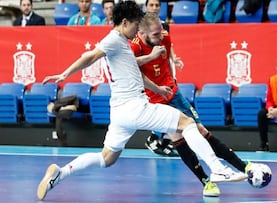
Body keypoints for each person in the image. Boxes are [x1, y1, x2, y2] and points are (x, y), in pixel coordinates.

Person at [36, 1, 247, 201]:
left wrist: (157, 89)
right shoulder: (113, 40)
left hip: (120, 113)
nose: (138, 30)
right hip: (135, 107)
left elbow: (136, 74)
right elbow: (90, 57)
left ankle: (60, 174)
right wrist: (65, 74)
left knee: (106, 158)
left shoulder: (123, 44)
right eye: (136, 24)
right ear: (125, 22)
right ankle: (218, 170)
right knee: (187, 123)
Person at [130, 12, 252, 197]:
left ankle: (243, 166)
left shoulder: (164, 37)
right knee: (178, 137)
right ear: (142, 33)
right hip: (156, 100)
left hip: (173, 92)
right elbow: (133, 70)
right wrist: (157, 86)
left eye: (161, 32)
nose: (160, 36)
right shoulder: (134, 47)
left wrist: (173, 62)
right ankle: (207, 182)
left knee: (200, 130)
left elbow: (167, 51)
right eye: (155, 34)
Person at [144, 0, 185, 156]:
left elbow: (168, 46)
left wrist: (174, 59)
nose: (154, 8)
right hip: (148, 73)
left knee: (170, 106)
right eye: (151, 5)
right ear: (146, 7)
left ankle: (161, 138)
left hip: (162, 71)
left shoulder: (163, 26)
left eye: (157, 5)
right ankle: (154, 137)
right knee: (158, 107)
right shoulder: (140, 26)